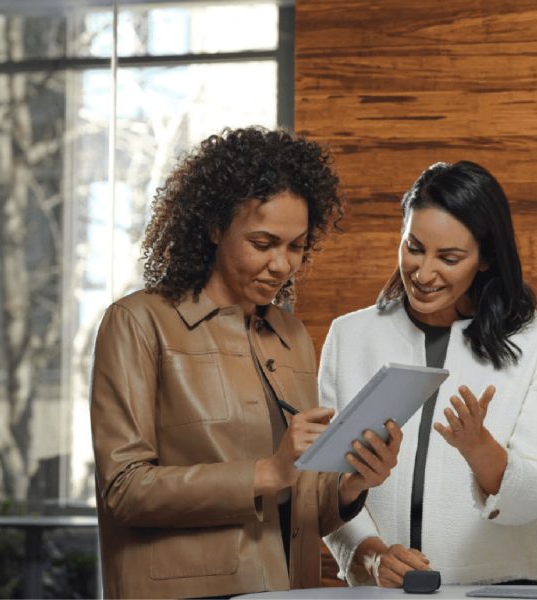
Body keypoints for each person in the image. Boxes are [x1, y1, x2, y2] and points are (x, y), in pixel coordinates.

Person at [90, 127, 403, 599]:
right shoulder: (137, 323)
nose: (283, 265)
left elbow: (301, 507)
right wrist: (267, 472)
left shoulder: (292, 336)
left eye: (296, 246)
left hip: (287, 591)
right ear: (215, 227)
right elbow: (124, 490)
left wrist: (351, 484)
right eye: (263, 243)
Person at [319, 160, 537, 587]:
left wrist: (480, 449)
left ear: (487, 258)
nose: (423, 273)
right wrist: (371, 556)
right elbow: (325, 486)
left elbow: (536, 497)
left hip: (495, 592)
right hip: (381, 593)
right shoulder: (350, 336)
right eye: (414, 247)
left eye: (449, 258)